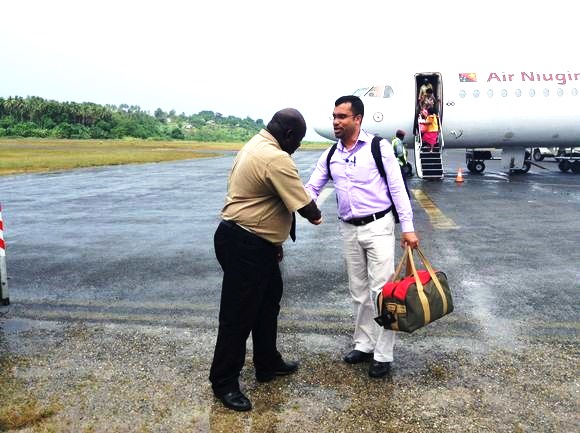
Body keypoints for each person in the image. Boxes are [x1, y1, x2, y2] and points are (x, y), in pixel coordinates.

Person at [209, 108, 323, 411]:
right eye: (298, 140)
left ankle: (267, 362)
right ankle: (223, 381)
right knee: (238, 315)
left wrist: (274, 242)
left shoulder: (256, 144)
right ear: (288, 134)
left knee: (267, 304)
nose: (298, 146)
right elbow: (306, 207)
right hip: (246, 244)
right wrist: (318, 214)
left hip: (252, 241)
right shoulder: (275, 158)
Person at [305, 95, 419, 379]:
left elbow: (397, 188)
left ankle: (383, 354)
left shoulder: (378, 148)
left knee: (382, 292)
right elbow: (312, 188)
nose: (336, 122)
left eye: (342, 117)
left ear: (357, 119)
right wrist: (300, 204)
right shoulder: (331, 155)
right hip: (348, 228)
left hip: (379, 226)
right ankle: (364, 344)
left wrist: (408, 227)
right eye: (334, 116)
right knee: (358, 291)